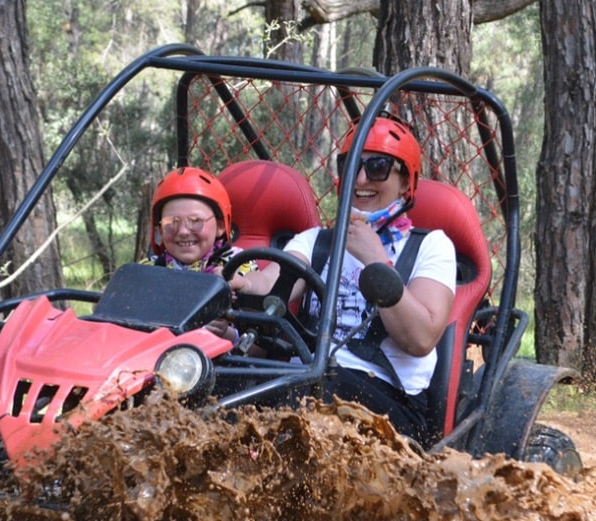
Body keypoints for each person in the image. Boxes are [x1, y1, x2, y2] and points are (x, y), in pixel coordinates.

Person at [229, 116, 456, 445]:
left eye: (377, 167)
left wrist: (374, 259)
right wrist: (241, 285)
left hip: (388, 400)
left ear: (406, 181)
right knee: (216, 387)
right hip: (303, 382)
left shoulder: (430, 246)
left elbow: (420, 339)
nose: (361, 178)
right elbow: (272, 283)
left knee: (309, 396)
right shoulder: (315, 241)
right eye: (350, 165)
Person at [140, 166, 255, 343]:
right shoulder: (148, 270)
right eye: (172, 222)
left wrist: (225, 334)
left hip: (224, 365)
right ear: (159, 230)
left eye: (196, 221)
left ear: (221, 226)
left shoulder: (237, 266)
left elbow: (261, 341)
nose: (184, 231)